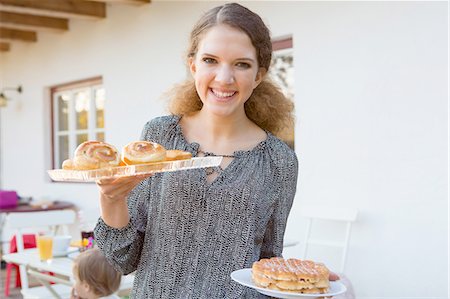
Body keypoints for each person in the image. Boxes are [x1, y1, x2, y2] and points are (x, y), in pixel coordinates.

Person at [94, 3, 300, 298]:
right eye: (210, 60)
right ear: (193, 66)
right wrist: (110, 198)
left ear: (258, 75)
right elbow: (123, 258)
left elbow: (268, 265)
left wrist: (304, 285)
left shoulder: (279, 160)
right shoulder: (160, 137)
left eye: (241, 64)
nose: (224, 78)